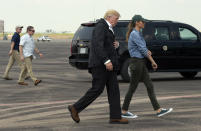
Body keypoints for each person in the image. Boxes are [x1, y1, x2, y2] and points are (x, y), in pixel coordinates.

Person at [68, 10, 128, 124]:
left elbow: (105, 44)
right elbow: (97, 45)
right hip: (101, 65)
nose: (117, 21)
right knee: (97, 89)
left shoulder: (108, 27)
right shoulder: (101, 26)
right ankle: (75, 108)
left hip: (108, 66)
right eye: (116, 19)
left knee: (114, 90)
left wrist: (116, 45)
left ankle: (115, 116)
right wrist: (106, 60)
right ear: (110, 17)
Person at [121, 15, 173, 118]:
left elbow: (143, 49)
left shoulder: (138, 33)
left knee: (149, 86)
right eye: (142, 22)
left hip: (141, 63)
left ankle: (158, 110)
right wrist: (153, 61)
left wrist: (146, 52)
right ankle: (124, 111)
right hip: (136, 63)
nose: (144, 23)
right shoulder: (135, 34)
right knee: (132, 88)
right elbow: (143, 50)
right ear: (137, 22)